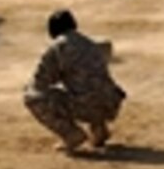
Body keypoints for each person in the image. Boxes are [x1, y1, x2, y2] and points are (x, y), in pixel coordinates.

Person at [24, 9, 127, 152]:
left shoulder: (58, 47)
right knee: (91, 88)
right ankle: (99, 129)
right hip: (111, 103)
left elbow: (41, 82)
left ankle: (71, 135)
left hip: (87, 105)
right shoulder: (91, 43)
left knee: (32, 97)